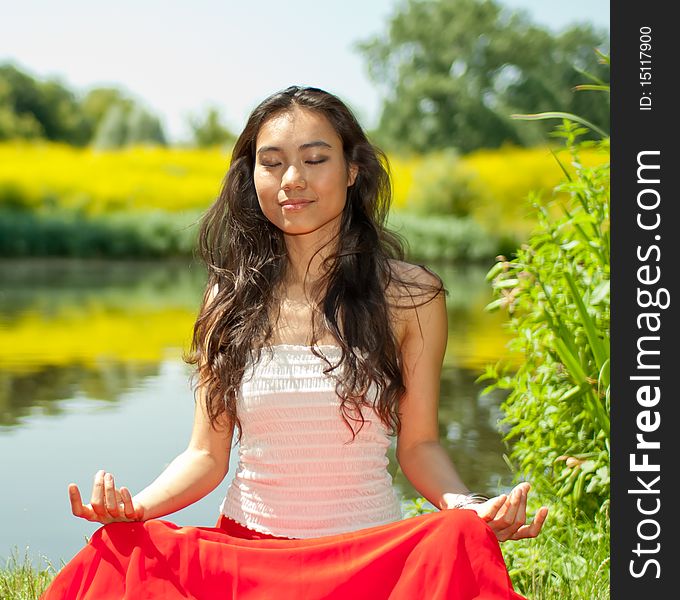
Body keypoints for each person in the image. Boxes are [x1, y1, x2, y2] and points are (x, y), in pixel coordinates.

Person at [41, 85, 548, 600]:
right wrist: (136, 509)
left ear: (353, 171)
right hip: (247, 564)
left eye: (315, 159)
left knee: (457, 533)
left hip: (367, 560)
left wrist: (468, 506)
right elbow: (205, 455)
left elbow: (419, 446)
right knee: (120, 547)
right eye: (272, 162)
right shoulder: (227, 297)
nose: (292, 180)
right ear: (252, 176)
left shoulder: (412, 295)